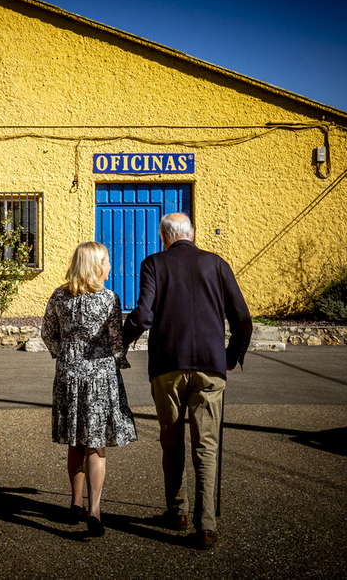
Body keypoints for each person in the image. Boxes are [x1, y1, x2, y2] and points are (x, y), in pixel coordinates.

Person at [123, 213, 252, 550]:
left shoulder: (154, 263)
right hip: (210, 365)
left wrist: (120, 342)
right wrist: (231, 355)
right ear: (191, 235)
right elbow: (243, 317)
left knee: (171, 439)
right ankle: (205, 525)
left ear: (164, 237)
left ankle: (177, 511)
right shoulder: (216, 263)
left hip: (167, 365)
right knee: (206, 446)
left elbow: (143, 316)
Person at [42, 241, 138, 538]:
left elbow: (47, 334)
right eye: (106, 261)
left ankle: (74, 503)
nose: (109, 266)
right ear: (96, 265)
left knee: (75, 438)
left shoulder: (59, 295)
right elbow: (115, 341)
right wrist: (119, 362)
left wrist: (66, 354)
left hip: (69, 374)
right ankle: (94, 510)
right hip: (99, 375)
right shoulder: (109, 298)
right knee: (96, 442)